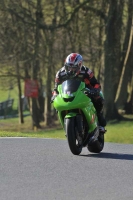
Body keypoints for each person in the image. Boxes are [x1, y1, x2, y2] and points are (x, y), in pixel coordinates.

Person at [51, 53, 106, 132]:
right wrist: (54, 95)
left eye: (74, 68)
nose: (71, 70)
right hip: (68, 93)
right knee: (56, 103)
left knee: (98, 97)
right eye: (69, 67)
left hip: (85, 91)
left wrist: (95, 90)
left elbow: (96, 84)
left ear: (79, 66)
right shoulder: (60, 73)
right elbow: (56, 88)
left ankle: (99, 117)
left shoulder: (87, 71)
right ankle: (65, 122)